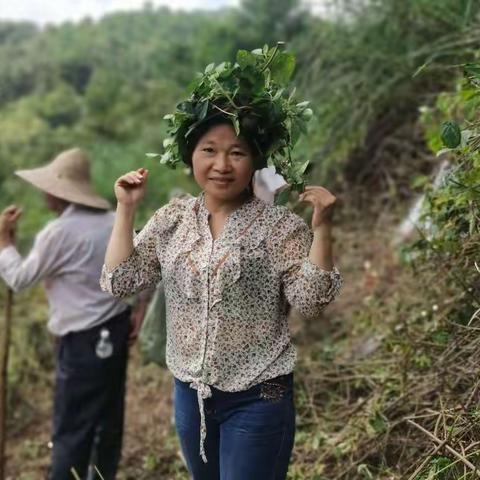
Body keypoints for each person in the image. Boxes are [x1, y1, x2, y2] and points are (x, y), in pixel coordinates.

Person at [101, 114, 343, 478]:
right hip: (190, 395)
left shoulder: (279, 228)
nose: (222, 165)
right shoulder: (173, 221)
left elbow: (311, 302)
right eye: (209, 150)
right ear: (191, 156)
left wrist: (322, 228)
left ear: (256, 160)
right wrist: (126, 207)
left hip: (260, 393)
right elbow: (120, 281)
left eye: (237, 153)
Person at [0, 148, 134, 480]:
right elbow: (135, 278)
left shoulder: (58, 233)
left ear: (59, 191)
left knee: (72, 429)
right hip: (114, 331)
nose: (44, 192)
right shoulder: (113, 223)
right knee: (108, 420)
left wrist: (4, 242)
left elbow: (18, 279)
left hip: (82, 343)